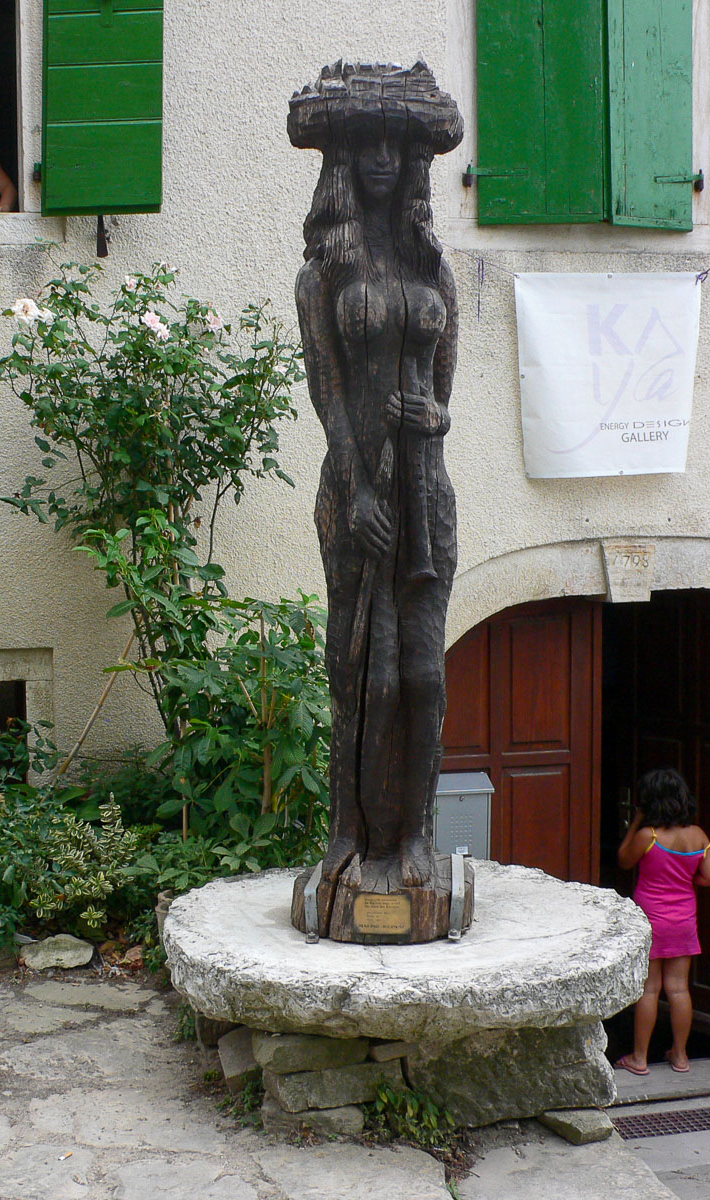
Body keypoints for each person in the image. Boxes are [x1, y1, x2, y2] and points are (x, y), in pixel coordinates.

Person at [289, 62, 462, 908]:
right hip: (356, 488)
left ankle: (420, 831)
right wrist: (356, 490)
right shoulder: (324, 270)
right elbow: (326, 392)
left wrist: (427, 417)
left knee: (425, 675)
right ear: (345, 159)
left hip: (426, 494)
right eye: (367, 144)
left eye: (398, 144)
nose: (385, 158)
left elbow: (447, 393)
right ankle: (349, 834)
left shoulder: (435, 268)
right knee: (362, 672)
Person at [615, 767, 710, 1074]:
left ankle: (639, 1057)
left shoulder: (648, 836)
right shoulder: (698, 835)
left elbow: (623, 859)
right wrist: (688, 882)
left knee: (649, 989)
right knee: (678, 989)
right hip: (684, 918)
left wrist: (635, 821)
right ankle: (680, 1055)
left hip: (651, 918)